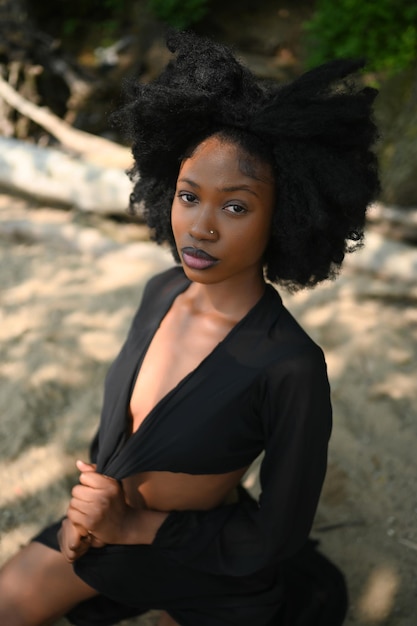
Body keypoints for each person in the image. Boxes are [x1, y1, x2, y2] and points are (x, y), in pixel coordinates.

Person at [0, 31, 379, 626]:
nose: (200, 227)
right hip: (104, 528)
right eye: (188, 196)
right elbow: (120, 432)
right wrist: (89, 512)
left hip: (205, 556)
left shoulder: (290, 366)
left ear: (285, 217)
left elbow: (278, 531)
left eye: (235, 206)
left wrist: (133, 524)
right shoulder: (162, 290)